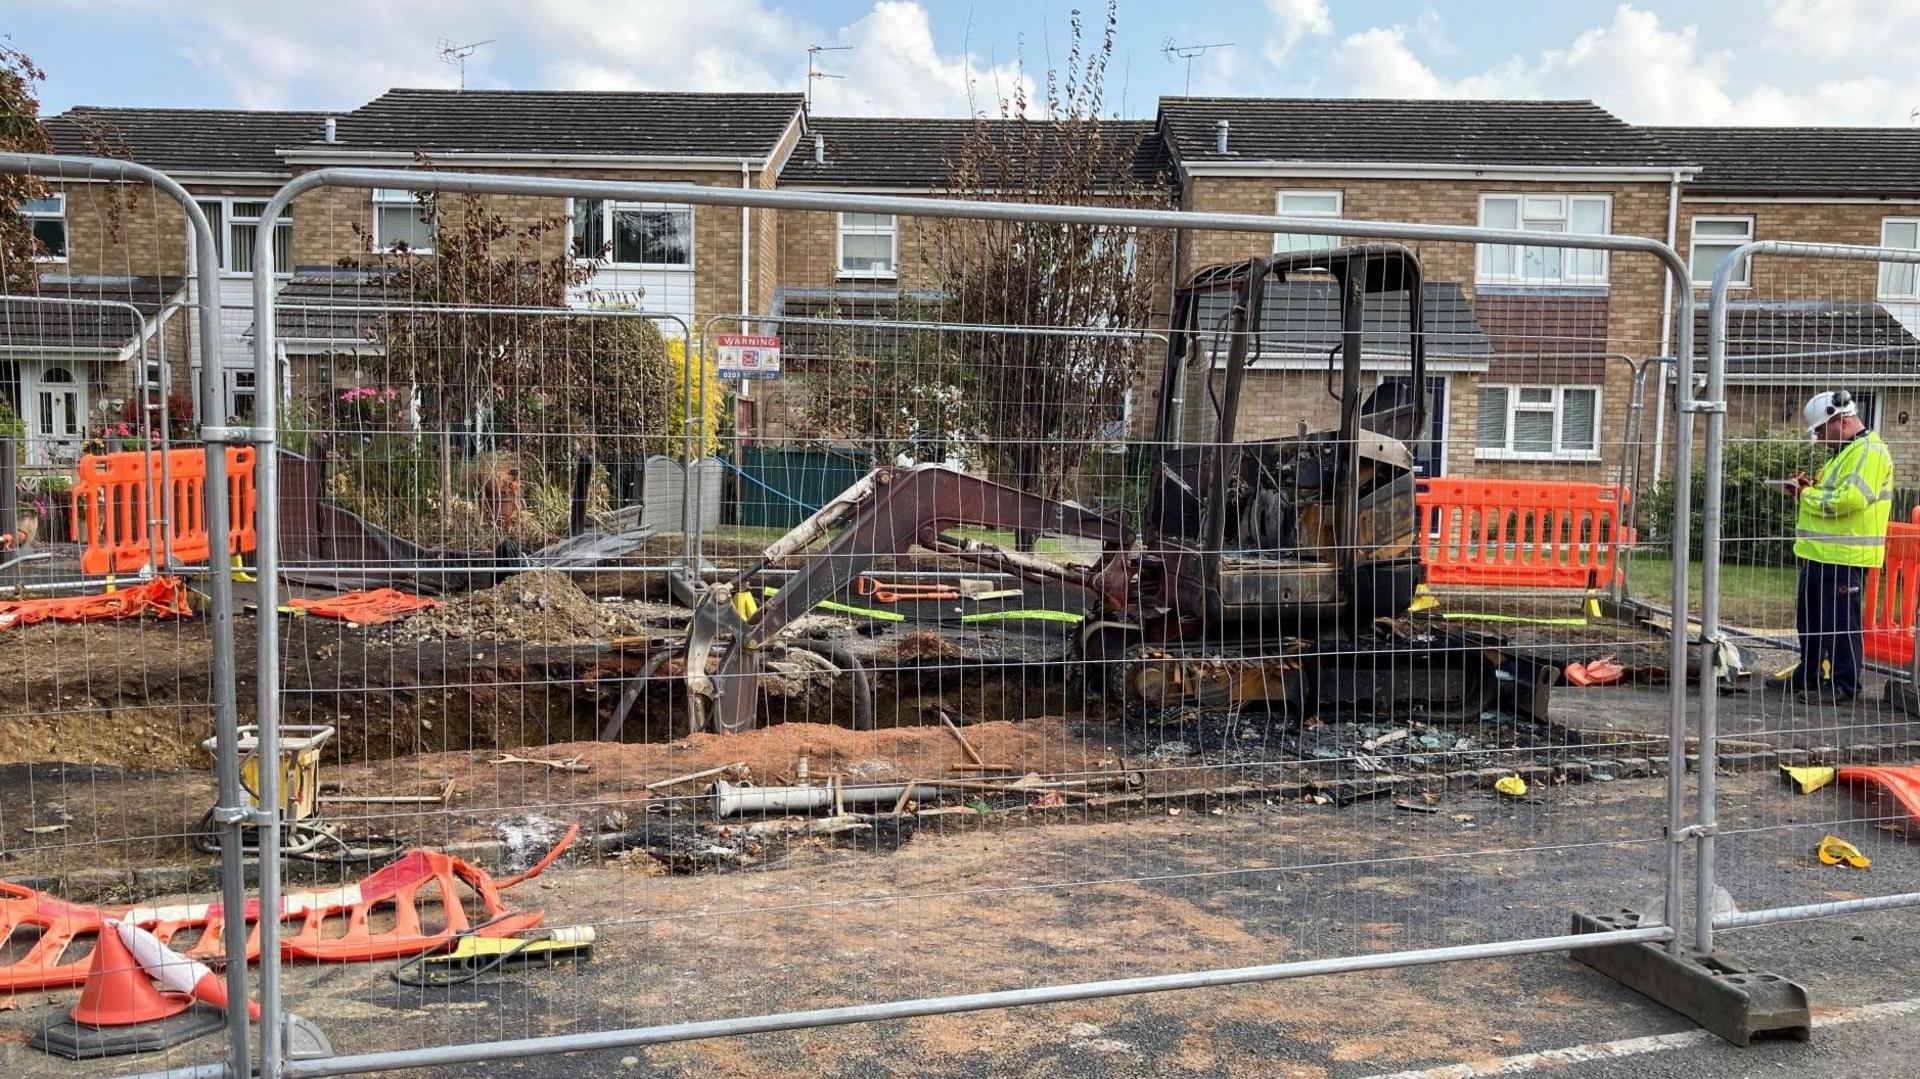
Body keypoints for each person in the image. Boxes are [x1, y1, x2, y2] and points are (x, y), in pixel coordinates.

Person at [1780, 390, 1895, 703]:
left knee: (1841, 625)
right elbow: (1833, 496)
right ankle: (1811, 675)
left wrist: (1807, 496)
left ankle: (1845, 684)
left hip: (1845, 556)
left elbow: (1851, 500)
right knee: (1812, 622)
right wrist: (1809, 490)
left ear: (1840, 421)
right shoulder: (1845, 453)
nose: (1819, 439)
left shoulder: (1870, 452)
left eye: (1819, 430)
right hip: (1820, 554)